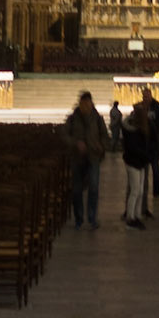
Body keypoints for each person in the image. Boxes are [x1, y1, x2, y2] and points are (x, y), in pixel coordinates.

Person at [64, 89, 108, 231]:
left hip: (93, 157)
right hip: (78, 158)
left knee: (94, 187)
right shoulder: (72, 118)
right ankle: (79, 218)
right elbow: (64, 135)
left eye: (88, 104)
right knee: (77, 190)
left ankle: (92, 217)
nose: (86, 106)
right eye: (84, 104)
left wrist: (101, 146)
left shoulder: (97, 118)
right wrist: (75, 143)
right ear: (80, 103)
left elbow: (104, 135)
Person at [120, 98, 150, 229]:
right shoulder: (132, 130)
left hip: (141, 162)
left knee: (140, 190)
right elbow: (133, 147)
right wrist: (144, 154)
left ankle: (137, 215)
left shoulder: (142, 128)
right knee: (135, 190)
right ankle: (130, 218)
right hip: (133, 162)